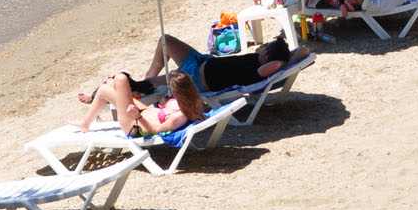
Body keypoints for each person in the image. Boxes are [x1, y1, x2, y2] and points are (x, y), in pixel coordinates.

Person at [131, 30, 308, 95]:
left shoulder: (260, 71)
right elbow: (302, 50)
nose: (261, 47)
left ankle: (142, 85)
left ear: (268, 55)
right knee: (165, 40)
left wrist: (284, 62)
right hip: (199, 61)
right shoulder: (256, 60)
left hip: (194, 79)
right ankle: (148, 77)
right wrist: (283, 55)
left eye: (265, 47)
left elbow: (303, 51)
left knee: (147, 85)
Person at [76, 67, 205, 136]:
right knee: (110, 85)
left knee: (118, 80)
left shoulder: (178, 117)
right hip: (144, 111)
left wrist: (137, 116)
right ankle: (84, 123)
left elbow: (154, 130)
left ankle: (84, 123)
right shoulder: (194, 102)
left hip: (134, 124)